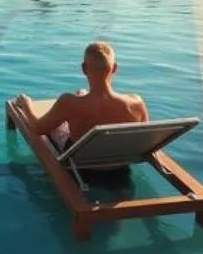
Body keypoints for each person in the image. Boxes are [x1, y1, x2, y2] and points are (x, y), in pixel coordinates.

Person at [14, 41, 148, 185]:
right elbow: (145, 139)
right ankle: (85, 94)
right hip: (119, 167)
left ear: (84, 68)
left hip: (82, 167)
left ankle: (83, 96)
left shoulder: (69, 102)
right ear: (115, 68)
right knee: (80, 102)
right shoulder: (136, 103)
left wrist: (27, 105)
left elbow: (38, 128)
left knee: (59, 124)